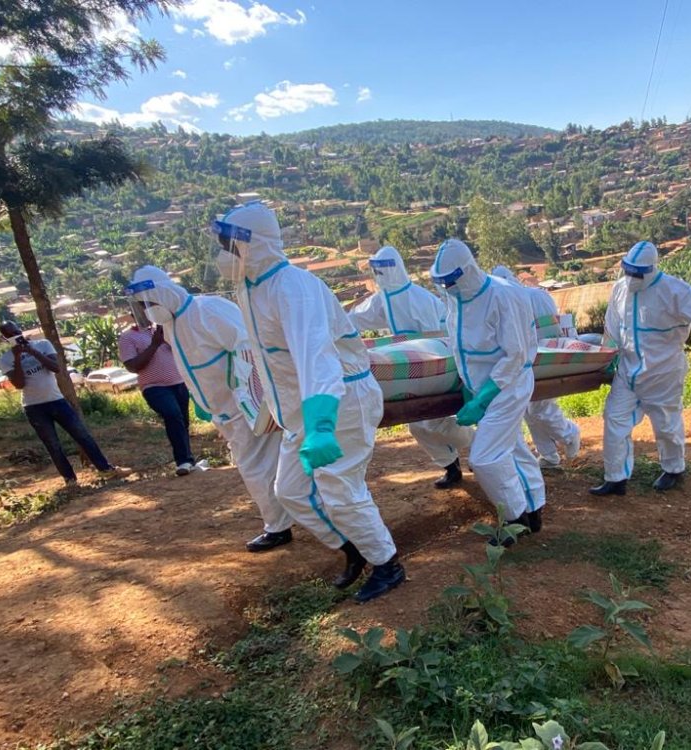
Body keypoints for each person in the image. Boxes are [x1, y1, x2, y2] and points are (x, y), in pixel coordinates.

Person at [214, 200, 404, 603]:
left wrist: (320, 426)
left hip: (339, 400)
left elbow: (317, 358)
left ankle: (387, 564)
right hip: (300, 407)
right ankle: (352, 548)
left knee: (340, 489)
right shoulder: (250, 287)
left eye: (230, 245)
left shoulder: (292, 289)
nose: (224, 255)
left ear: (255, 243)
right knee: (290, 491)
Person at [124, 266, 296, 552]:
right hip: (226, 412)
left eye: (148, 302)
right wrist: (206, 405)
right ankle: (290, 519)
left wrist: (249, 397)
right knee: (265, 466)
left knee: (257, 468)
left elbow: (248, 346)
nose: (147, 310)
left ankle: (280, 527)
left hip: (247, 407)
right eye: (142, 305)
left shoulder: (208, 310)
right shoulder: (172, 325)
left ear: (164, 293)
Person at [589, 241, 691, 497]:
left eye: (637, 273)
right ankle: (615, 478)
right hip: (627, 372)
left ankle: (673, 469)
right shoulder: (620, 289)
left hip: (663, 373)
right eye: (628, 270)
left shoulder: (674, 290)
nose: (631, 277)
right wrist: (608, 358)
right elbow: (612, 326)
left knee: (666, 426)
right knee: (614, 418)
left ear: (651, 270)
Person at [430, 239, 546, 543]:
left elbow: (515, 356)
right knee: (513, 447)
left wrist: (482, 400)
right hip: (480, 385)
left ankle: (514, 519)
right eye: (441, 282)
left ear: (467, 271)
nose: (447, 287)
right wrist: (469, 390)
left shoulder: (503, 295)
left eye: (451, 281)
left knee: (485, 457)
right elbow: (459, 344)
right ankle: (534, 510)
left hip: (508, 386)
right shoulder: (455, 297)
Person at [348, 245, 473, 488]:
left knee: (433, 422)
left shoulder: (420, 299)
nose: (379, 276)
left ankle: (478, 444)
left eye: (383, 270)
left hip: (440, 366)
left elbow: (436, 339)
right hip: (411, 372)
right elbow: (354, 319)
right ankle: (451, 466)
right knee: (418, 427)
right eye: (377, 271)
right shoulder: (381, 300)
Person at [0, 321, 124, 486]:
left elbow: (55, 367)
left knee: (82, 435)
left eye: (16, 332)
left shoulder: (42, 344)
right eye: (10, 335)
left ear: (20, 330)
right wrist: (17, 357)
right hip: (33, 406)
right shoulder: (5, 359)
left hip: (57, 400)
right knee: (53, 445)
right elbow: (19, 384)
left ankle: (105, 469)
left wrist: (31, 351)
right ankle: (70, 480)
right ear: (4, 339)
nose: (15, 336)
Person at [490, 264, 581, 469]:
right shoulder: (531, 296)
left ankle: (569, 433)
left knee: (540, 407)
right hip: (533, 360)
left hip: (541, 360)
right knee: (530, 410)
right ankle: (548, 456)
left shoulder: (525, 299)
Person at [118, 304, 196, 476]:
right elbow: (132, 366)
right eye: (141, 311)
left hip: (178, 382)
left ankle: (188, 460)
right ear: (133, 314)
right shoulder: (127, 337)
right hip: (154, 387)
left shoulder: (163, 329)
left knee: (182, 421)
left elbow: (183, 349)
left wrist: (169, 338)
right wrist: (154, 345)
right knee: (172, 414)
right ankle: (183, 460)